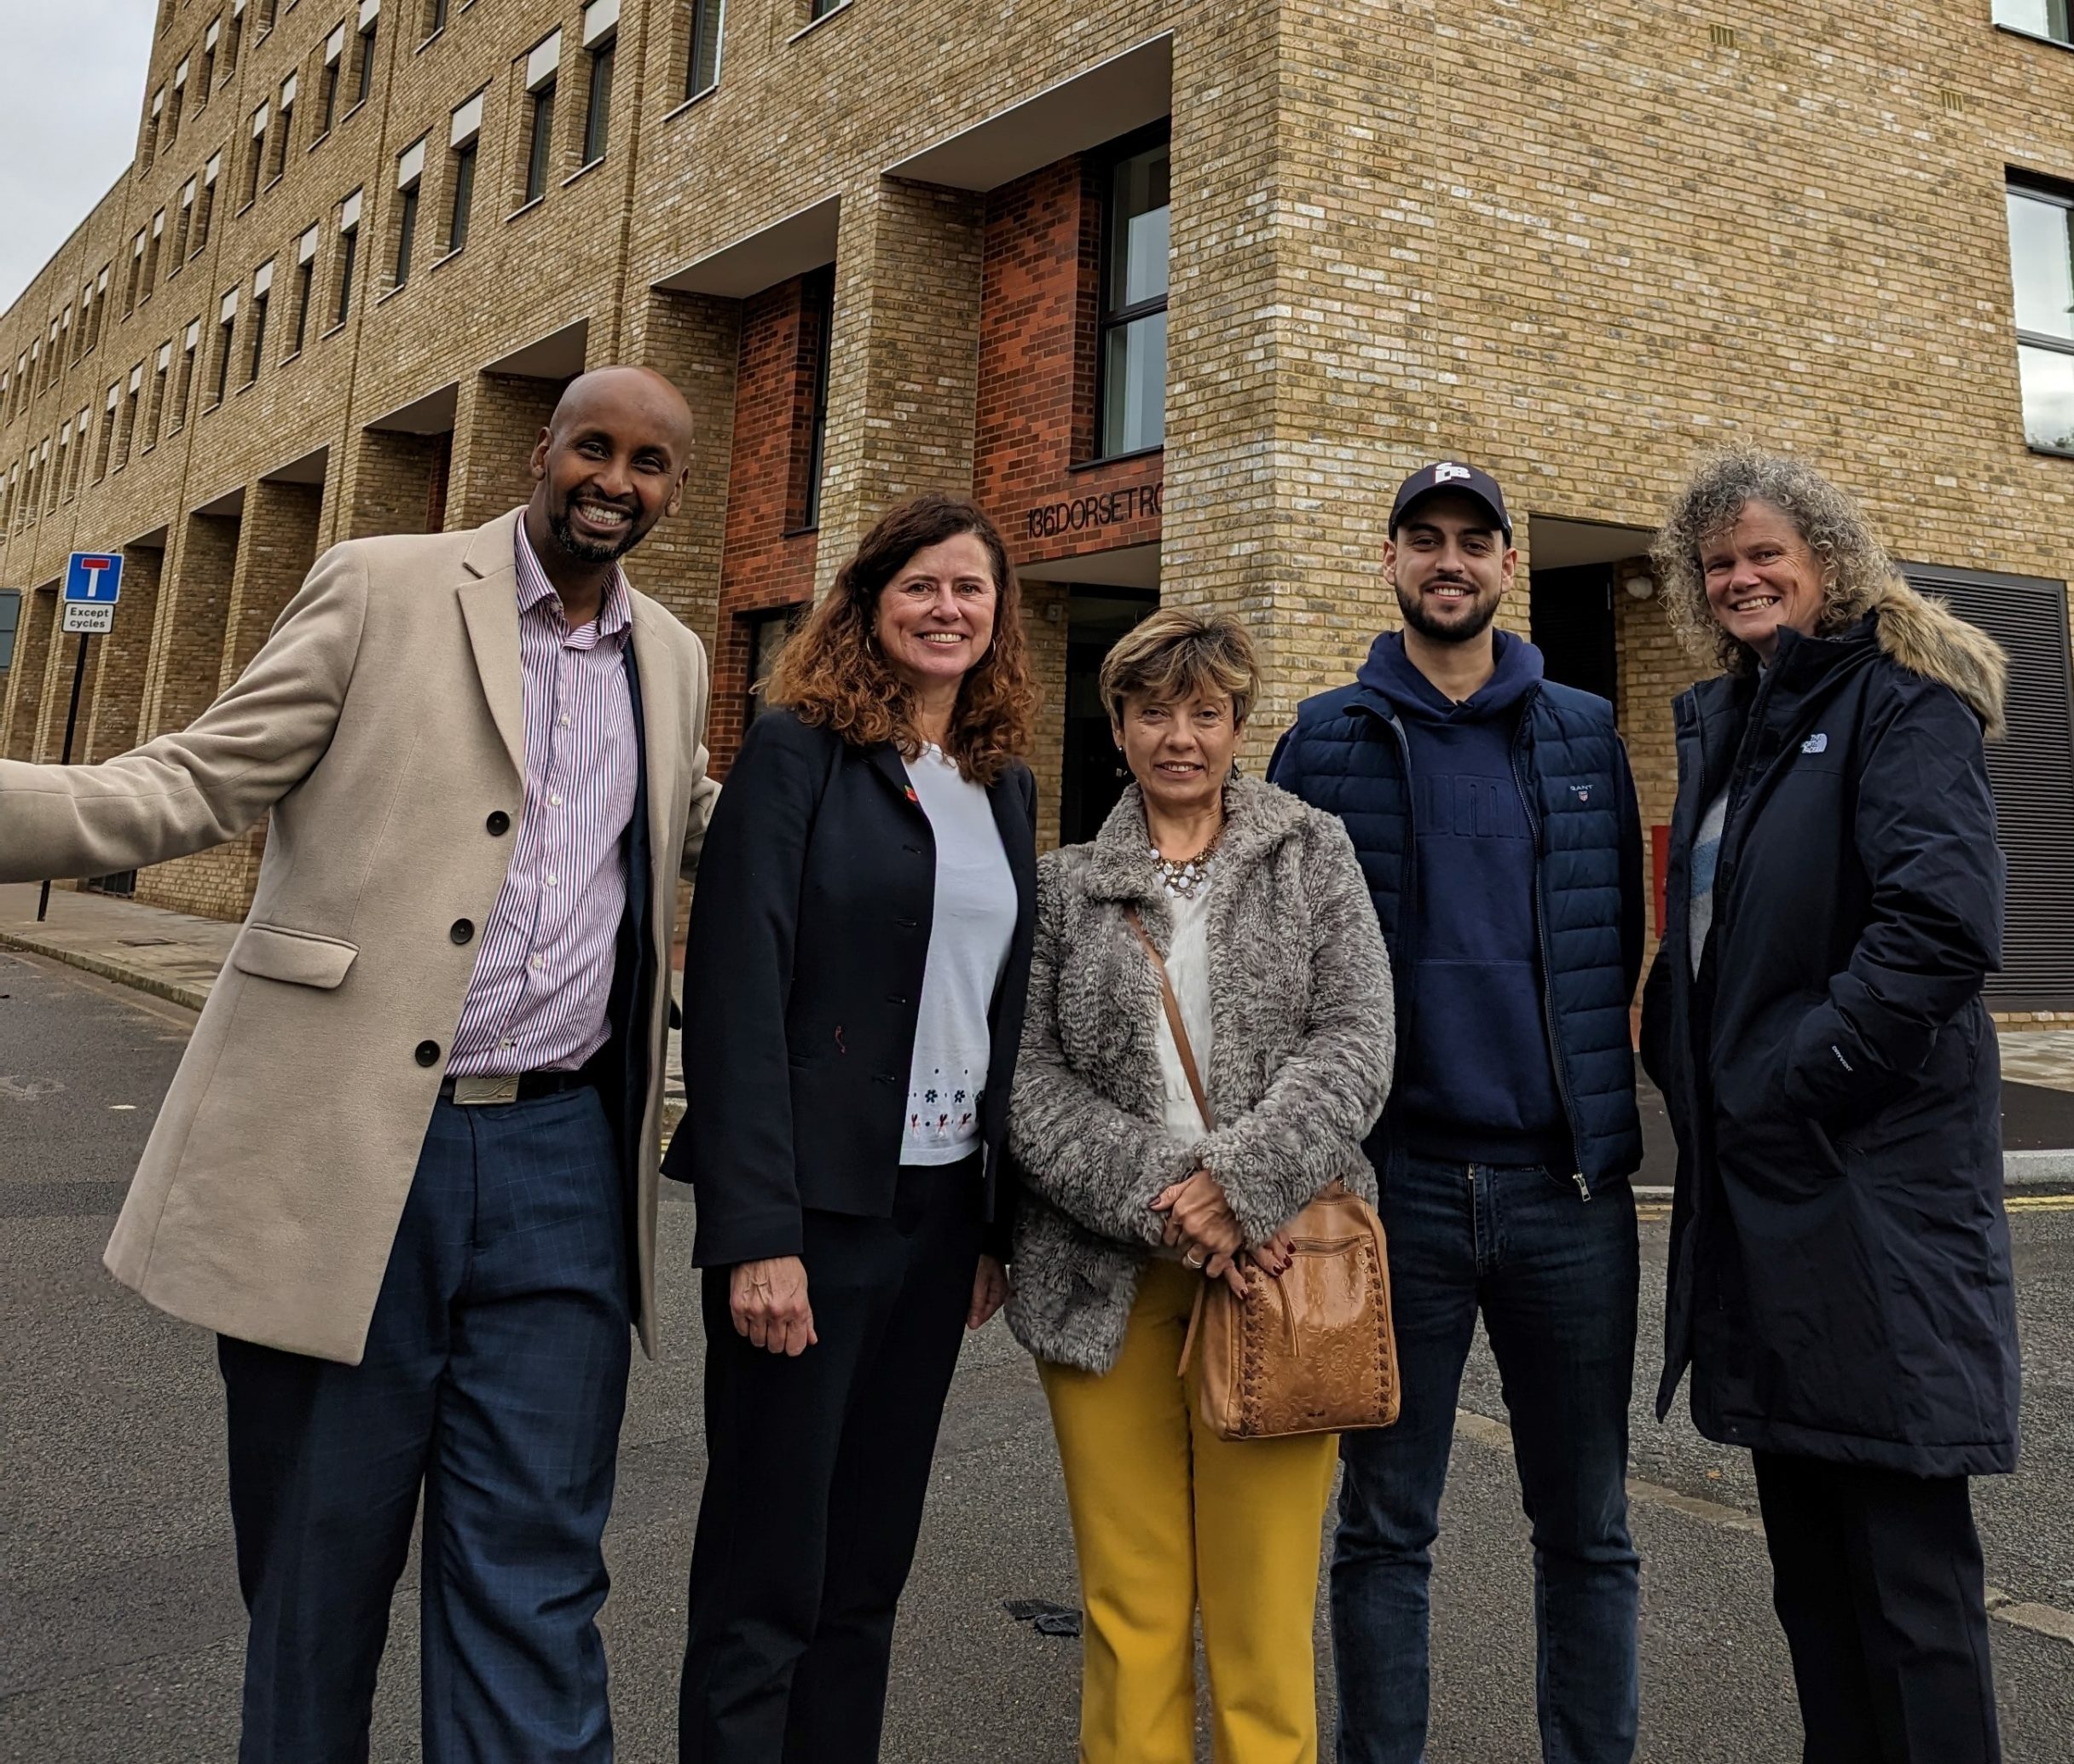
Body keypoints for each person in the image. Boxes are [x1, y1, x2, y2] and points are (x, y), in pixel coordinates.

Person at [0, 367, 719, 1760]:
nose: (615, 481)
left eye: (649, 462)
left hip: (568, 1161)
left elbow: (708, 831)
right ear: (541, 452)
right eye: (593, 448)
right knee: (319, 1575)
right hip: (354, 1151)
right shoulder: (382, 586)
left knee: (539, 1574)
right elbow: (189, 782)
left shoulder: (673, 657)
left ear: (676, 486)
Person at [1640, 447, 2017, 1764]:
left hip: (1874, 1210)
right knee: (1814, 1584)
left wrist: (1793, 1080)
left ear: (1827, 561)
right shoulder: (1738, 720)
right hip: (1770, 1209)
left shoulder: (1900, 703)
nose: (1741, 577)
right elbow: (1719, 935)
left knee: (1909, 1591)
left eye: (1764, 554)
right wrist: (1676, 1046)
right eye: (1719, 562)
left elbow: (1940, 927)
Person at [1270, 460, 1649, 1764]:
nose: (1450, 561)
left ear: (1503, 567)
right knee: (1384, 1528)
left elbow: (1621, 948)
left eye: (1472, 542)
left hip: (1566, 1194)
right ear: (1389, 559)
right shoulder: (1322, 738)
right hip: (1392, 1192)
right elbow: (1273, 972)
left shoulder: (1586, 731)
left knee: (1590, 1530)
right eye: (1424, 539)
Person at [667, 491, 1038, 1763]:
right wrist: (755, 1231)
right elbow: (734, 994)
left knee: (869, 1569)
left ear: (998, 616)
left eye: (971, 589)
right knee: (768, 1571)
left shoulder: (1002, 781)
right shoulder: (797, 749)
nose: (948, 609)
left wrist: (993, 1224)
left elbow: (998, 1008)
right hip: (813, 1215)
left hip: (939, 1220)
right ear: (871, 604)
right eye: (922, 586)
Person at [1007, 607, 1395, 1764]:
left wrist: (1247, 1184)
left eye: (1207, 712)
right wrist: (1174, 1200)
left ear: (1238, 725)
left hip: (1283, 1269)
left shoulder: (1313, 849)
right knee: (1131, 1608)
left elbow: (1357, 1034)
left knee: (1264, 1612)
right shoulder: (1062, 887)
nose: (1182, 734)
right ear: (1118, 726)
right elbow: (1026, 1082)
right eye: (1156, 711)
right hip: (1100, 1278)